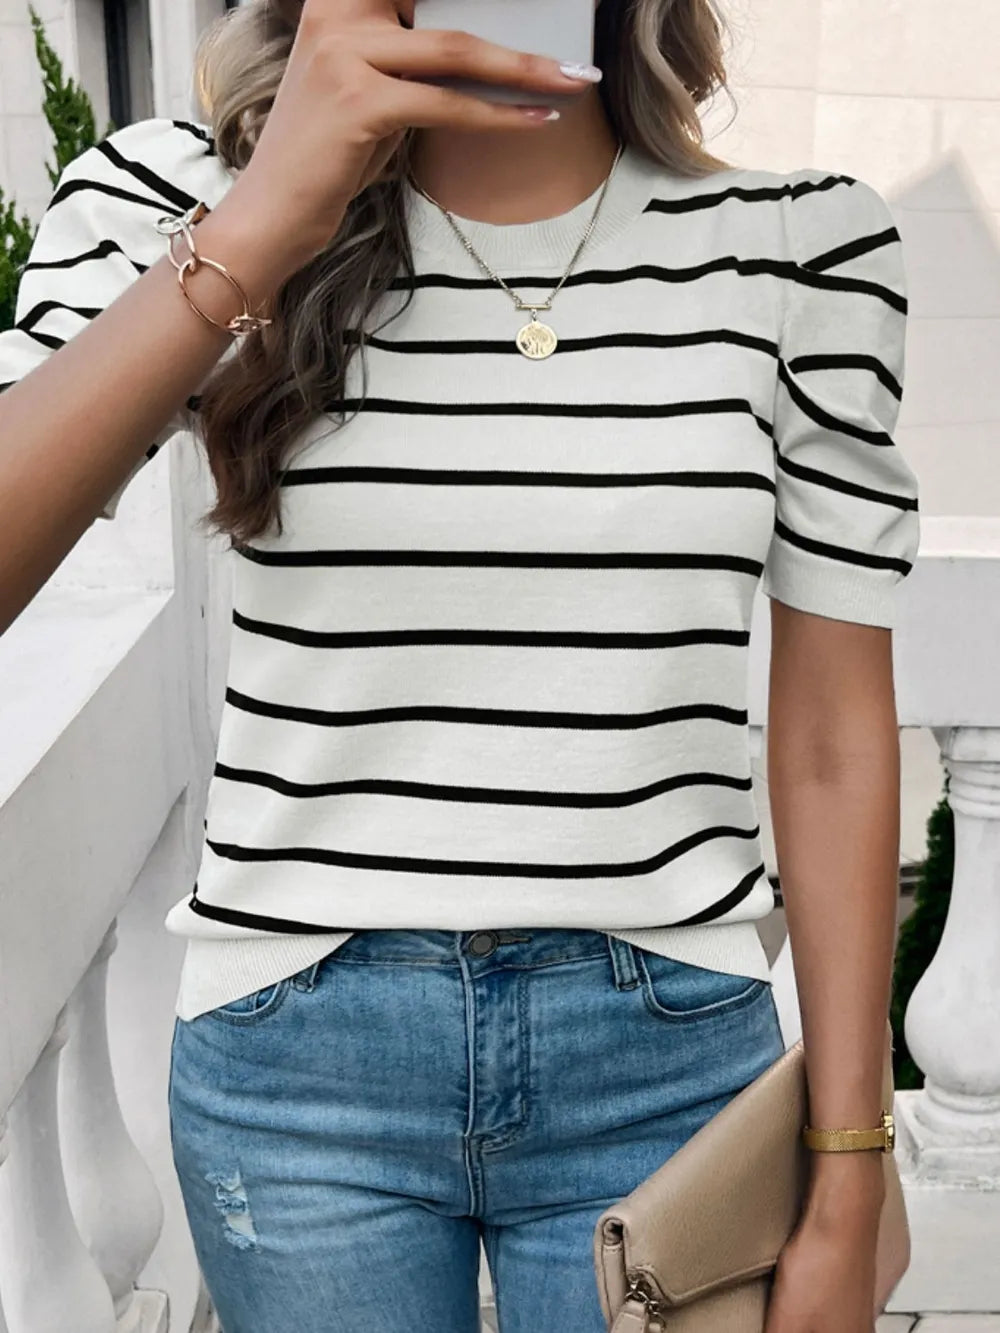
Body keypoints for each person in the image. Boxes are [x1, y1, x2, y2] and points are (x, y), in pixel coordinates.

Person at [0, 0, 920, 1329]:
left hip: (665, 1061)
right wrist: (265, 218)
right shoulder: (172, 194)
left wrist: (849, 1166)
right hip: (297, 1068)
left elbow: (835, 736)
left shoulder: (801, 247)